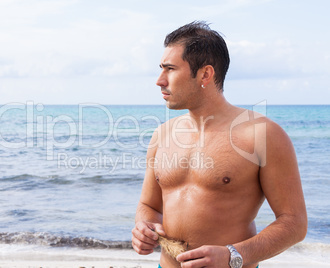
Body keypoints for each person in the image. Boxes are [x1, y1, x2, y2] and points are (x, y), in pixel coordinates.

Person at [131, 21, 307, 268]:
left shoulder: (261, 135)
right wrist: (143, 226)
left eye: (170, 69)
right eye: (161, 69)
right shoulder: (162, 135)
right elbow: (149, 205)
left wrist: (233, 255)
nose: (160, 80)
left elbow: (294, 223)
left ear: (205, 74)